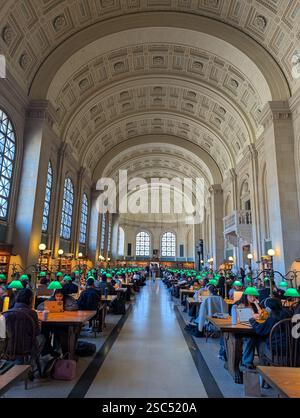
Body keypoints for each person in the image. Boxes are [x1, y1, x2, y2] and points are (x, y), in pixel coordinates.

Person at [240, 298, 292, 370]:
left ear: (268, 309)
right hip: (293, 349)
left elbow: (259, 330)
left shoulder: (273, 317)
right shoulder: (290, 313)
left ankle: (264, 370)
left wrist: (252, 321)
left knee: (259, 340)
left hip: (278, 350)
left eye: (265, 309)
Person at [3, 288, 44, 363]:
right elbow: (36, 332)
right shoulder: (32, 313)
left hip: (8, 347)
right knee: (43, 338)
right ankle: (32, 363)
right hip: (26, 347)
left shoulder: (6, 313)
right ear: (30, 299)